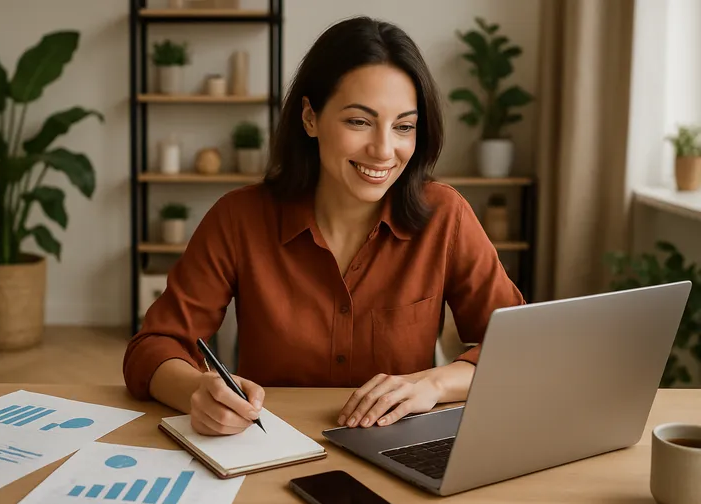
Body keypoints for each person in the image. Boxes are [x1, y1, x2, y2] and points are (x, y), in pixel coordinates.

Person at [123, 16, 524, 436]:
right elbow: (152, 348)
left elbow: (519, 348)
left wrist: (434, 382)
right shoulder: (239, 217)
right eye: (359, 121)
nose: (384, 150)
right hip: (269, 445)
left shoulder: (445, 215)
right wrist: (196, 391)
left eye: (404, 126)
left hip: (398, 448)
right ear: (310, 118)